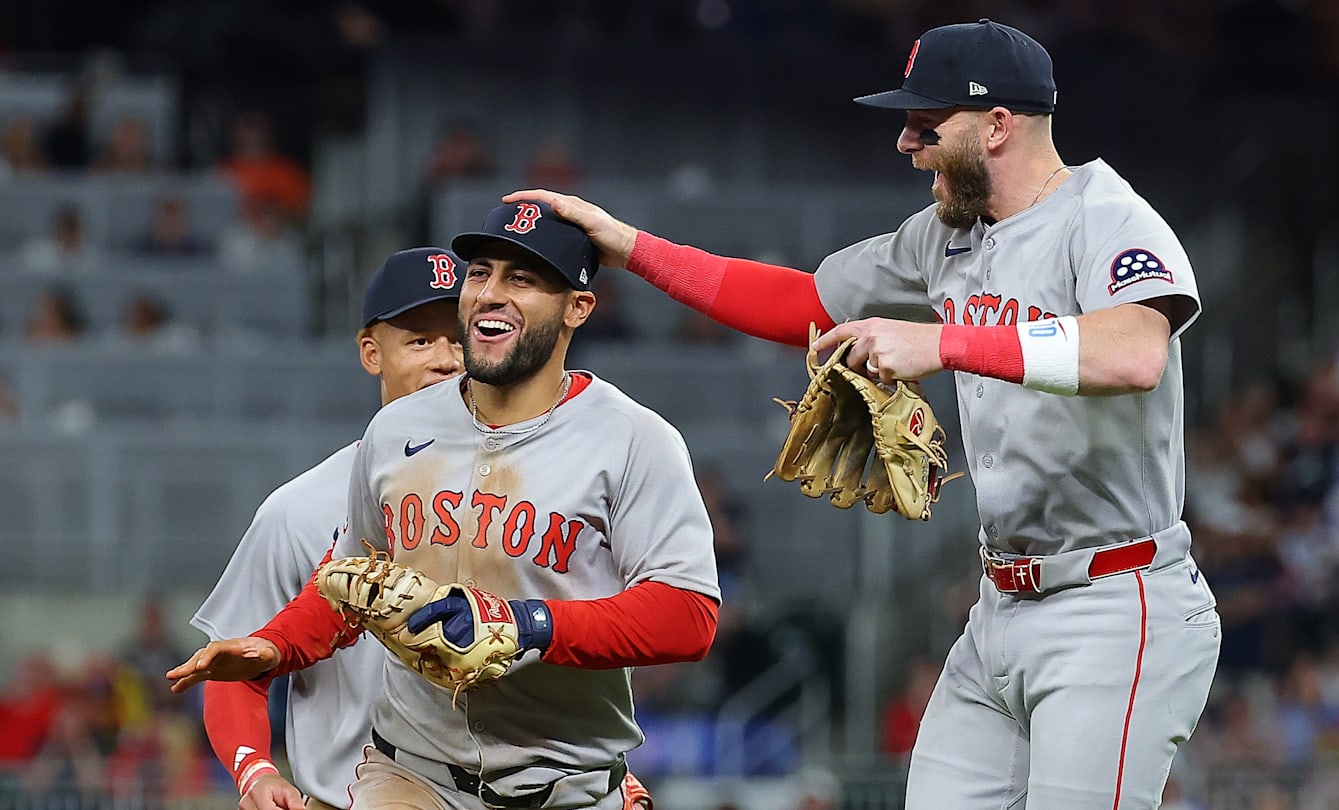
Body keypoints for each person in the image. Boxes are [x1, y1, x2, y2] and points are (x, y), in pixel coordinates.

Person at [504, 19, 1222, 808]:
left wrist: (944, 341)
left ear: (996, 127)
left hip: (1116, 607)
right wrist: (633, 247)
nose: (905, 143)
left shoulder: (1104, 213)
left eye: (925, 123)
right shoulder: (944, 239)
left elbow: (1133, 353)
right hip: (1000, 607)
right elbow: (800, 302)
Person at [168, 201, 721, 809]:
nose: (491, 293)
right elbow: (349, 584)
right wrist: (278, 645)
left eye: (522, 278)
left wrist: (528, 625)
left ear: (577, 307)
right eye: (481, 272)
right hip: (411, 775)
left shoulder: (635, 439)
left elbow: (688, 614)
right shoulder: (393, 434)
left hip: (568, 783)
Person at [187, 246, 466, 810]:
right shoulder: (301, 508)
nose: (446, 359)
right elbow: (235, 667)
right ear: (371, 352)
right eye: (420, 340)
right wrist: (254, 769)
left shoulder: (526, 495)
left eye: (461, 338)